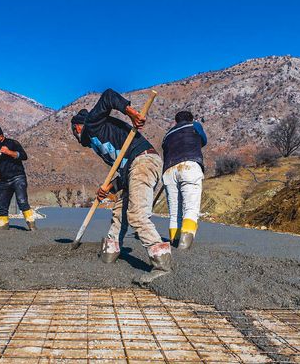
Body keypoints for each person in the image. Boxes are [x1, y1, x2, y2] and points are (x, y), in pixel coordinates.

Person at [70, 88, 171, 284]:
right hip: (135, 166)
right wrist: (110, 187)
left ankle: (162, 264)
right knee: (119, 211)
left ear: (78, 127)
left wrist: (131, 112)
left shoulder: (92, 123)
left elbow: (108, 95)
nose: (75, 133)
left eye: (74, 129)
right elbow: (125, 171)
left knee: (136, 214)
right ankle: (111, 251)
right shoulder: (97, 142)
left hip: (143, 161)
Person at [161, 111, 207, 249]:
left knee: (175, 212)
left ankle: (174, 241)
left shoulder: (167, 135)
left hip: (169, 171)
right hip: (189, 166)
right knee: (190, 208)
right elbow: (204, 141)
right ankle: (184, 245)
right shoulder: (195, 125)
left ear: (176, 121)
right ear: (191, 118)